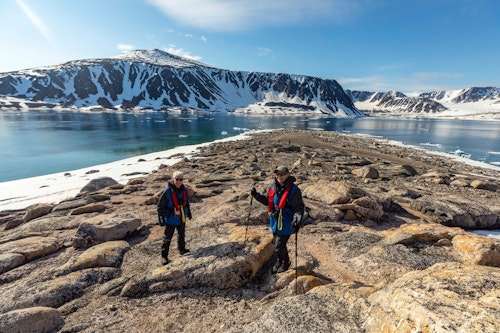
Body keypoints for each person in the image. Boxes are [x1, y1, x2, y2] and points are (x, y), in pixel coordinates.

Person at [251, 166, 305, 273]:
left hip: (286, 222)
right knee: (277, 243)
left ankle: (285, 262)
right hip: (275, 221)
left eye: (282, 174)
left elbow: (299, 208)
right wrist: (256, 195)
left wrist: (297, 220)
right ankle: (279, 261)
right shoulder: (272, 187)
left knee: (278, 246)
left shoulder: (294, 190)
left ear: (287, 175)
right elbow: (268, 201)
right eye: (278, 174)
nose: (279, 176)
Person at [157, 170, 192, 265]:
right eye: (177, 179)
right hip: (171, 217)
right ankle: (164, 256)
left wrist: (189, 213)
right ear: (173, 179)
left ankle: (182, 249)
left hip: (182, 216)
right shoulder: (167, 191)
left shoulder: (184, 190)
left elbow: (187, 203)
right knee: (167, 237)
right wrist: (161, 219)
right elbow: (160, 206)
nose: (179, 181)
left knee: (181, 234)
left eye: (181, 179)